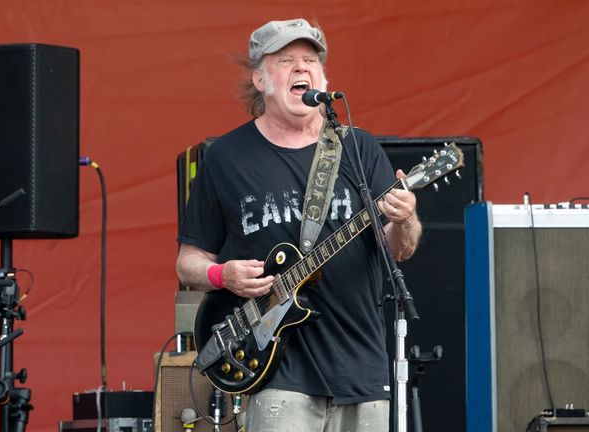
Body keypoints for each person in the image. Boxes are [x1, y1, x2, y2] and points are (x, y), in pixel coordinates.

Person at [176, 18, 422, 432]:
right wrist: (223, 275)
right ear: (260, 80)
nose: (301, 67)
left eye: (310, 60)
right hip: (278, 371)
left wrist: (406, 217)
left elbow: (399, 250)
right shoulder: (226, 157)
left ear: (323, 79)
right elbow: (188, 263)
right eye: (286, 60)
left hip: (361, 368)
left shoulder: (358, 148)